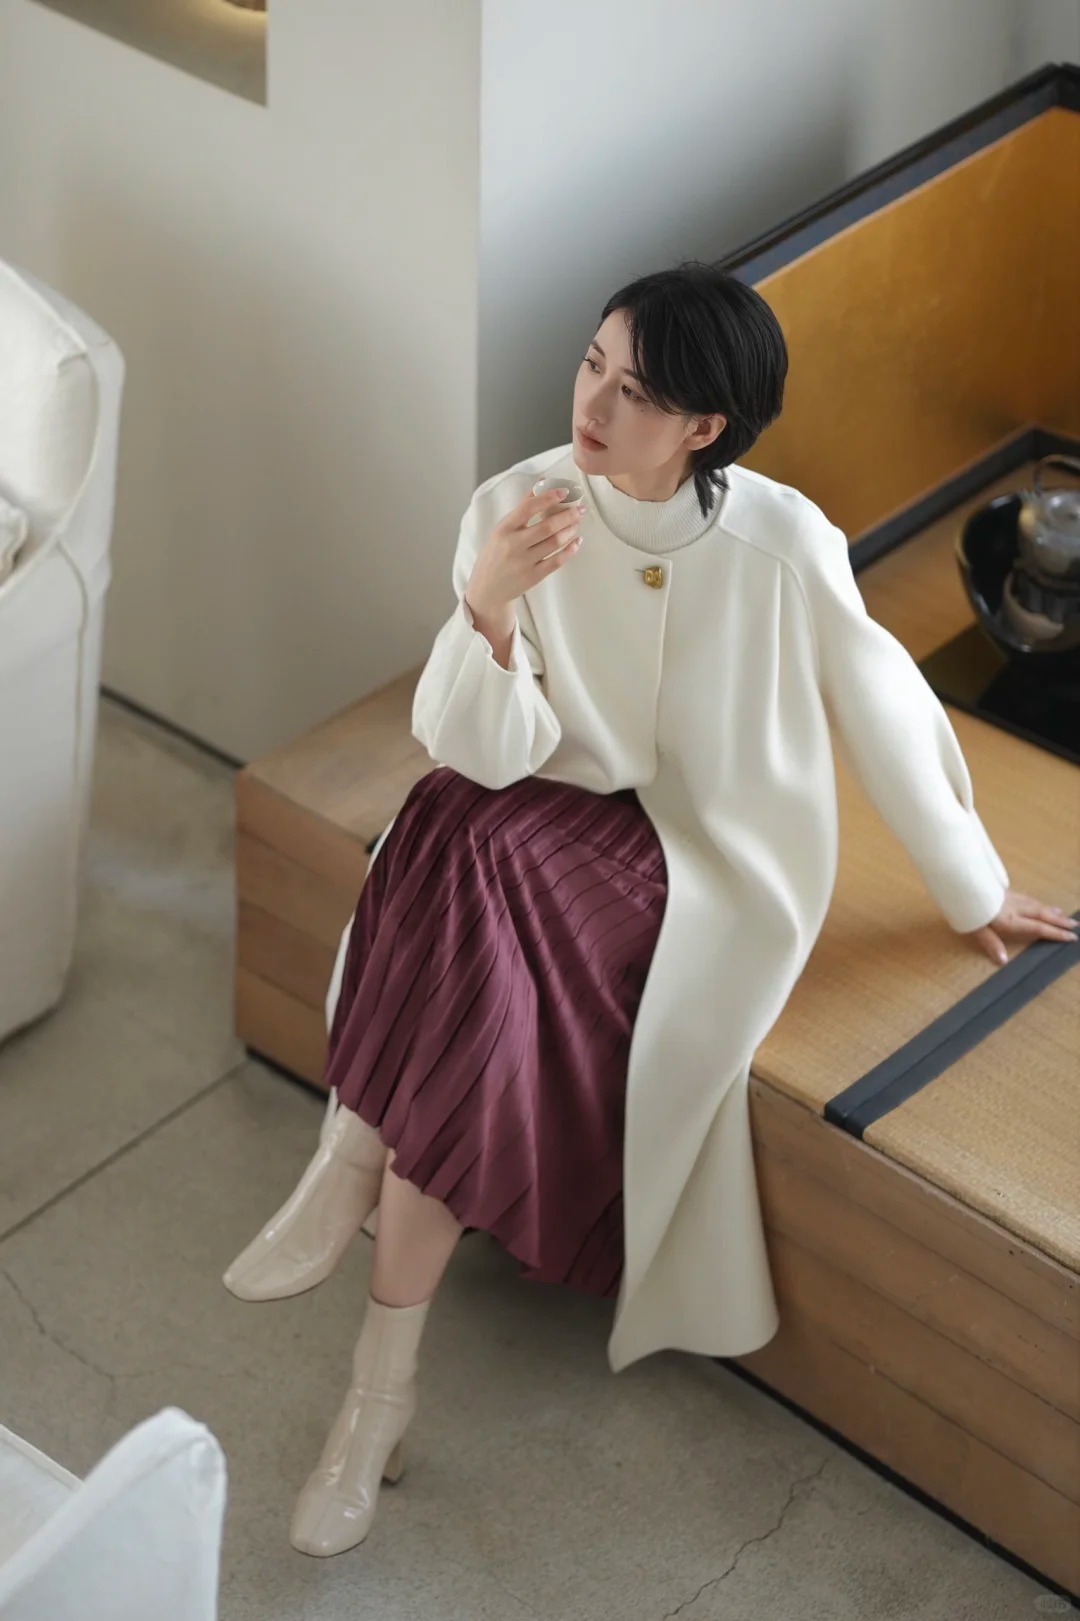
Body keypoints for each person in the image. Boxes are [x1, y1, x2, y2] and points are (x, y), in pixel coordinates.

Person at [222, 261, 1078, 1559]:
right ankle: (372, 1393)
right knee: (455, 826)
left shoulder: (779, 542)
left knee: (459, 855)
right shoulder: (516, 508)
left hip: (709, 854)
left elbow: (886, 704)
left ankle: (357, 1184)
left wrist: (972, 882)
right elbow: (484, 749)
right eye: (593, 366)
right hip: (546, 812)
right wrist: (488, 604)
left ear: (705, 427)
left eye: (636, 392)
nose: (595, 404)